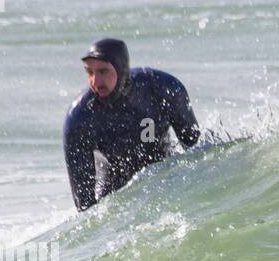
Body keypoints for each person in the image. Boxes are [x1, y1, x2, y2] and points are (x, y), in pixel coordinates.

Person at [62, 38, 201, 211]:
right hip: (117, 196)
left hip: (166, 177)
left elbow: (197, 151)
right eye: (89, 72)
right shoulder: (80, 119)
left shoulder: (162, 89)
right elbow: (85, 205)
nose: (95, 82)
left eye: (103, 71)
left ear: (121, 69)